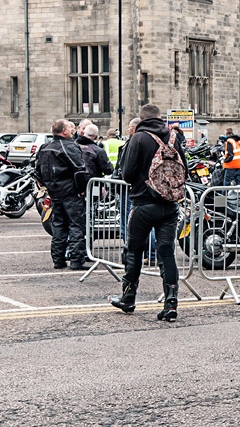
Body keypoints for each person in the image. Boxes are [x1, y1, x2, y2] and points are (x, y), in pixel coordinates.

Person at [108, 104, 187, 322]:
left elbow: (127, 173)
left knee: (134, 250)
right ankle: (171, 304)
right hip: (170, 205)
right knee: (166, 253)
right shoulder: (173, 138)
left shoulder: (139, 138)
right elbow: (184, 170)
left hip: (143, 203)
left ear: (141, 119)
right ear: (160, 118)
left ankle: (129, 297)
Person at [35, 119, 89, 271]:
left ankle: (58, 260)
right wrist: (81, 189)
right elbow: (79, 169)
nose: (73, 131)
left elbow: (37, 171)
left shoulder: (45, 147)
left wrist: (48, 186)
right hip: (70, 193)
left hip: (55, 193)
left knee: (59, 225)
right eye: (70, 128)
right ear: (64, 131)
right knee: (75, 226)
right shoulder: (69, 146)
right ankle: (77, 260)